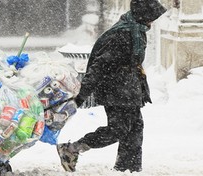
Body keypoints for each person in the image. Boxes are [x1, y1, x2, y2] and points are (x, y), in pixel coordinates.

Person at [56, 0, 167, 173]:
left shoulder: (136, 30)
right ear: (143, 14)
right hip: (116, 91)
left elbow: (132, 64)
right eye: (151, 17)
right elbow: (99, 67)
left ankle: (128, 168)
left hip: (129, 90)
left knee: (135, 129)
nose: (152, 21)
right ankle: (71, 149)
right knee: (118, 130)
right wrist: (80, 96)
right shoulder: (121, 34)